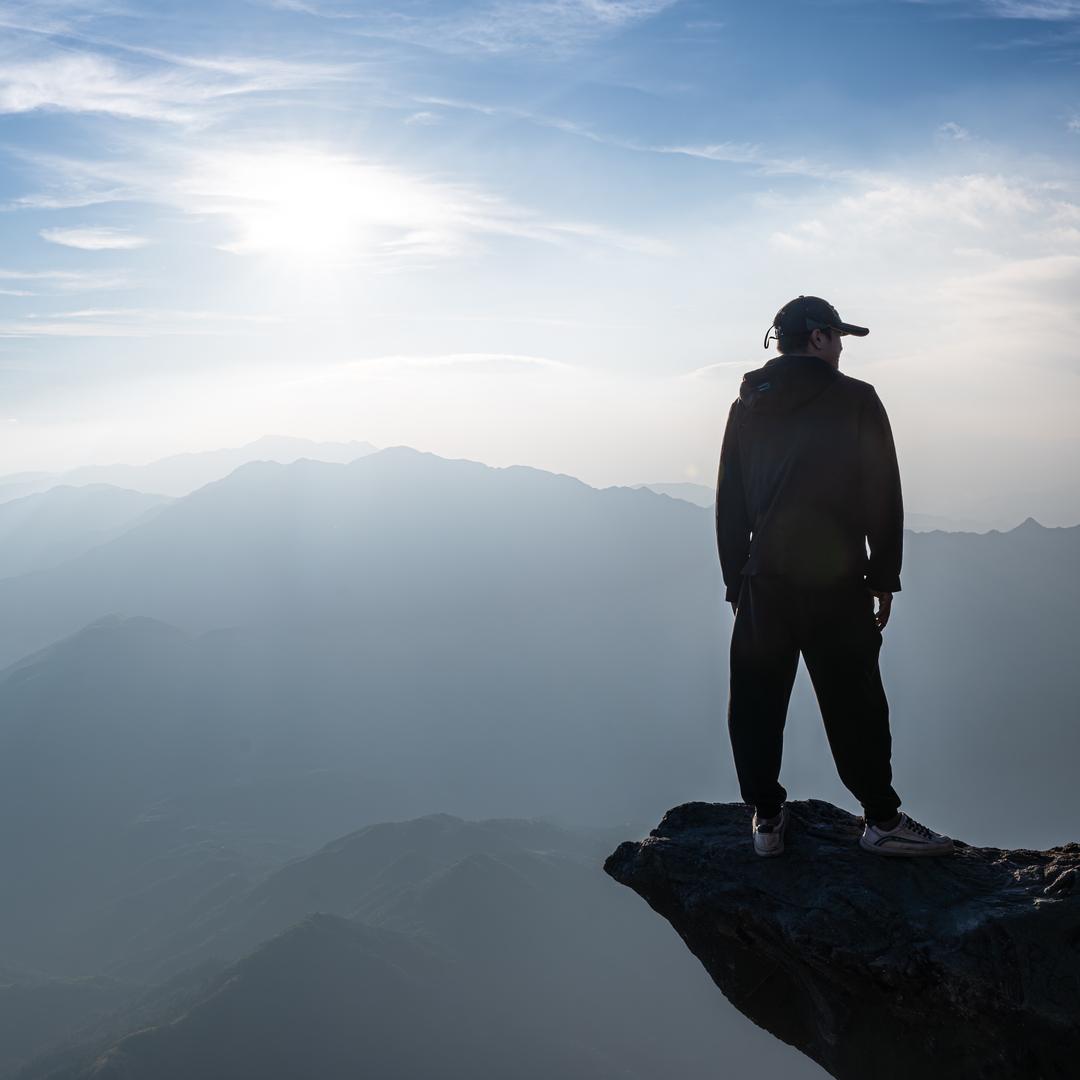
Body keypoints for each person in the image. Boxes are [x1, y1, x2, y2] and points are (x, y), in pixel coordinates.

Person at [714, 295, 954, 858]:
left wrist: (736, 581)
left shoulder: (747, 404)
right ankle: (881, 820)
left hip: (763, 579)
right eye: (838, 336)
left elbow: (731, 501)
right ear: (818, 337)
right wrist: (883, 576)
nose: (843, 347)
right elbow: (882, 491)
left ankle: (767, 818)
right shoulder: (856, 400)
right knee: (855, 700)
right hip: (836, 578)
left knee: (756, 700)